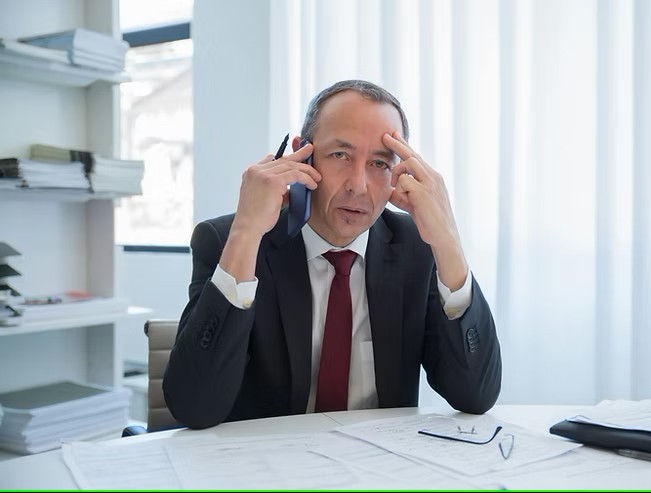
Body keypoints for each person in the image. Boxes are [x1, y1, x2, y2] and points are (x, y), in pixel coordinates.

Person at [163, 80, 501, 429]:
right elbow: (193, 406)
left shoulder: (417, 248)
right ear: (301, 155)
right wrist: (246, 234)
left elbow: (475, 395)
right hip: (267, 469)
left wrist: (447, 241)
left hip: (377, 470)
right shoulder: (230, 240)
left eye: (380, 164)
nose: (358, 185)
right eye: (340, 155)